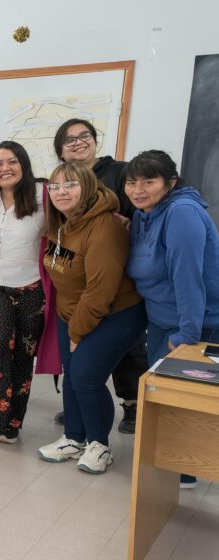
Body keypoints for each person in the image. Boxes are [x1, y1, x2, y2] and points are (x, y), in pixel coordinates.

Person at [36, 162, 145, 474]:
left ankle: (99, 445)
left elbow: (100, 291)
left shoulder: (107, 227)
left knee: (85, 375)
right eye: (55, 187)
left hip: (116, 313)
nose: (60, 192)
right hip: (70, 311)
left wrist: (77, 333)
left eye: (69, 184)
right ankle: (74, 438)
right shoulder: (60, 221)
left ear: (87, 186)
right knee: (72, 374)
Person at [124, 150, 219, 487]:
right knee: (162, 399)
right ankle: (170, 464)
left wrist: (187, 336)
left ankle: (186, 471)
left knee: (185, 403)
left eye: (149, 181)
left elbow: (189, 278)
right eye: (132, 182)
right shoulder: (143, 215)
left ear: (171, 182)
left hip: (197, 323)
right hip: (161, 319)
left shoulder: (181, 213)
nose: (138, 189)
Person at [53, 118, 147, 433]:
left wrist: (126, 224)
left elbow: (145, 206)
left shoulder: (120, 174)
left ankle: (128, 407)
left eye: (85, 136)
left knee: (114, 356)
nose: (78, 142)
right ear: (61, 153)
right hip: (77, 298)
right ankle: (79, 419)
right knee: (78, 372)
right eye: (70, 139)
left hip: (118, 285)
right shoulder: (59, 211)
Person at [0, 140, 59, 443]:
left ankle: (13, 421)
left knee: (23, 356)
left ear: (23, 164)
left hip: (32, 288)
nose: (4, 168)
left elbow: (75, 217)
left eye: (11, 162)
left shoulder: (43, 195)